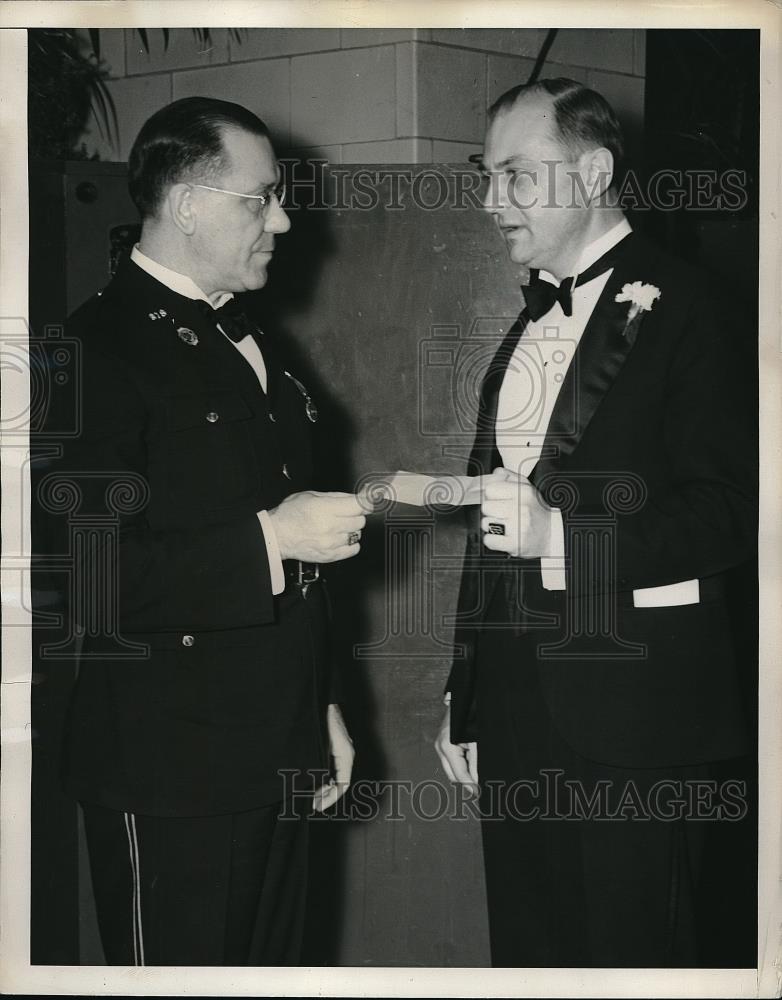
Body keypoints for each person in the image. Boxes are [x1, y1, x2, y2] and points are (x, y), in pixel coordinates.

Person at [37, 96, 365, 966]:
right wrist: (271, 540)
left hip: (275, 748)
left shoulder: (247, 337)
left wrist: (320, 705)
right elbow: (87, 576)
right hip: (169, 767)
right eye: (261, 199)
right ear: (187, 204)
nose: (284, 220)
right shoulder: (92, 353)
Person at [435, 79, 756, 967]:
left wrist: (568, 542)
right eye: (484, 174)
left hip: (638, 723)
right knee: (532, 962)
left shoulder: (696, 309)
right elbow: (493, 518)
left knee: (635, 964)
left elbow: (736, 513)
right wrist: (466, 691)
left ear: (595, 171)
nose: (492, 200)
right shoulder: (523, 324)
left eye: (515, 176)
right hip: (514, 713)